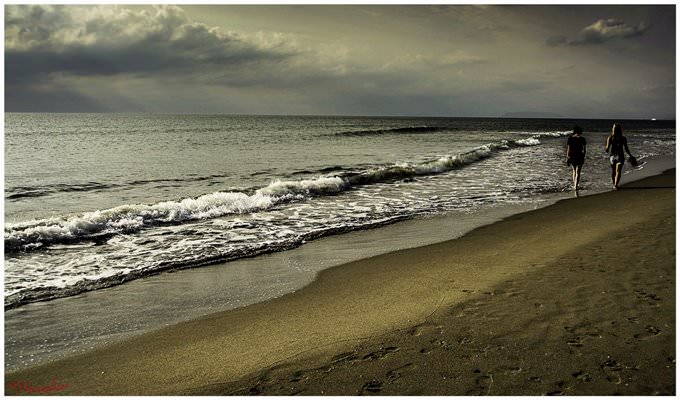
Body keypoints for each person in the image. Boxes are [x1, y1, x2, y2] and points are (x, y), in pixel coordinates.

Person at [605, 123, 634, 190]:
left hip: (614, 156)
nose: (613, 129)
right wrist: (630, 155)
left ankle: (615, 185)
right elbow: (626, 148)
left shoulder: (611, 138)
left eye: (614, 128)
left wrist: (606, 148)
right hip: (618, 156)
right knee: (617, 171)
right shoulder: (622, 138)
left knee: (615, 171)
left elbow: (607, 149)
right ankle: (615, 184)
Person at [566, 125, 587, 192]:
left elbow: (568, 149)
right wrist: (583, 156)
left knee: (574, 170)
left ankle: (574, 184)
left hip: (572, 156)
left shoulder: (570, 138)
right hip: (580, 156)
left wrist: (567, 157)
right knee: (578, 172)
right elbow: (584, 150)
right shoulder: (583, 139)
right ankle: (576, 186)